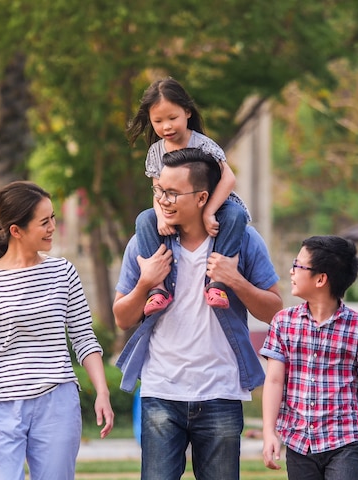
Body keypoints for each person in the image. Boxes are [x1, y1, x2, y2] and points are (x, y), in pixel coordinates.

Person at [114, 148, 283, 480]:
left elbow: (274, 311)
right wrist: (146, 283)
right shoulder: (145, 242)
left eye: (173, 193)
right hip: (162, 391)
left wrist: (235, 281)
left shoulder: (244, 241)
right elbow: (122, 317)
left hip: (221, 390)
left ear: (203, 197)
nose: (162, 199)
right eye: (159, 190)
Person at [0, 181, 114, 480]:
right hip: (1, 406)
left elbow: (84, 338)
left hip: (57, 402)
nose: (52, 228)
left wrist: (102, 392)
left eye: (53, 218)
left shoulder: (63, 272)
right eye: (44, 222)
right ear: (16, 230)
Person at [260, 235, 358, 480]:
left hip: (346, 439)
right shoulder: (283, 323)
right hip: (299, 441)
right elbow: (274, 381)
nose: (291, 271)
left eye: (298, 265)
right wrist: (269, 431)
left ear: (320, 279)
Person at [127, 77, 252, 316]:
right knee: (144, 219)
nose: (166, 127)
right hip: (173, 205)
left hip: (213, 202)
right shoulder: (156, 151)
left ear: (187, 112)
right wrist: (161, 217)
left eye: (172, 118)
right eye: (158, 121)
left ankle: (216, 283)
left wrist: (208, 211)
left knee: (235, 215)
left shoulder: (202, 144)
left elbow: (228, 179)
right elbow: (157, 188)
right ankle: (158, 289)